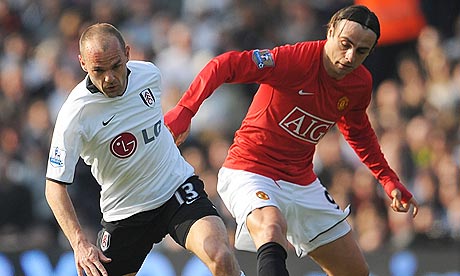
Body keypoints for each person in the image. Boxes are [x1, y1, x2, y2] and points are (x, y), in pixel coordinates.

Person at [164, 5, 419, 276]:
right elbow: (224, 64)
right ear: (330, 31)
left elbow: (357, 131)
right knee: (272, 226)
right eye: (345, 44)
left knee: (354, 271)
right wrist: (185, 110)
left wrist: (388, 179)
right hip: (249, 170)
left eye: (361, 51)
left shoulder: (359, 84)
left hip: (302, 181)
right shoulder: (293, 60)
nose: (349, 56)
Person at [45, 23, 244, 276]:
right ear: (83, 64)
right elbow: (53, 187)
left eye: (116, 66)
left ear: (127, 53)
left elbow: (149, 124)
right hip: (125, 213)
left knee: (220, 254)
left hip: (175, 190)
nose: (109, 78)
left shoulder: (149, 74)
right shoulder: (75, 114)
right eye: (99, 70)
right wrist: (79, 243)